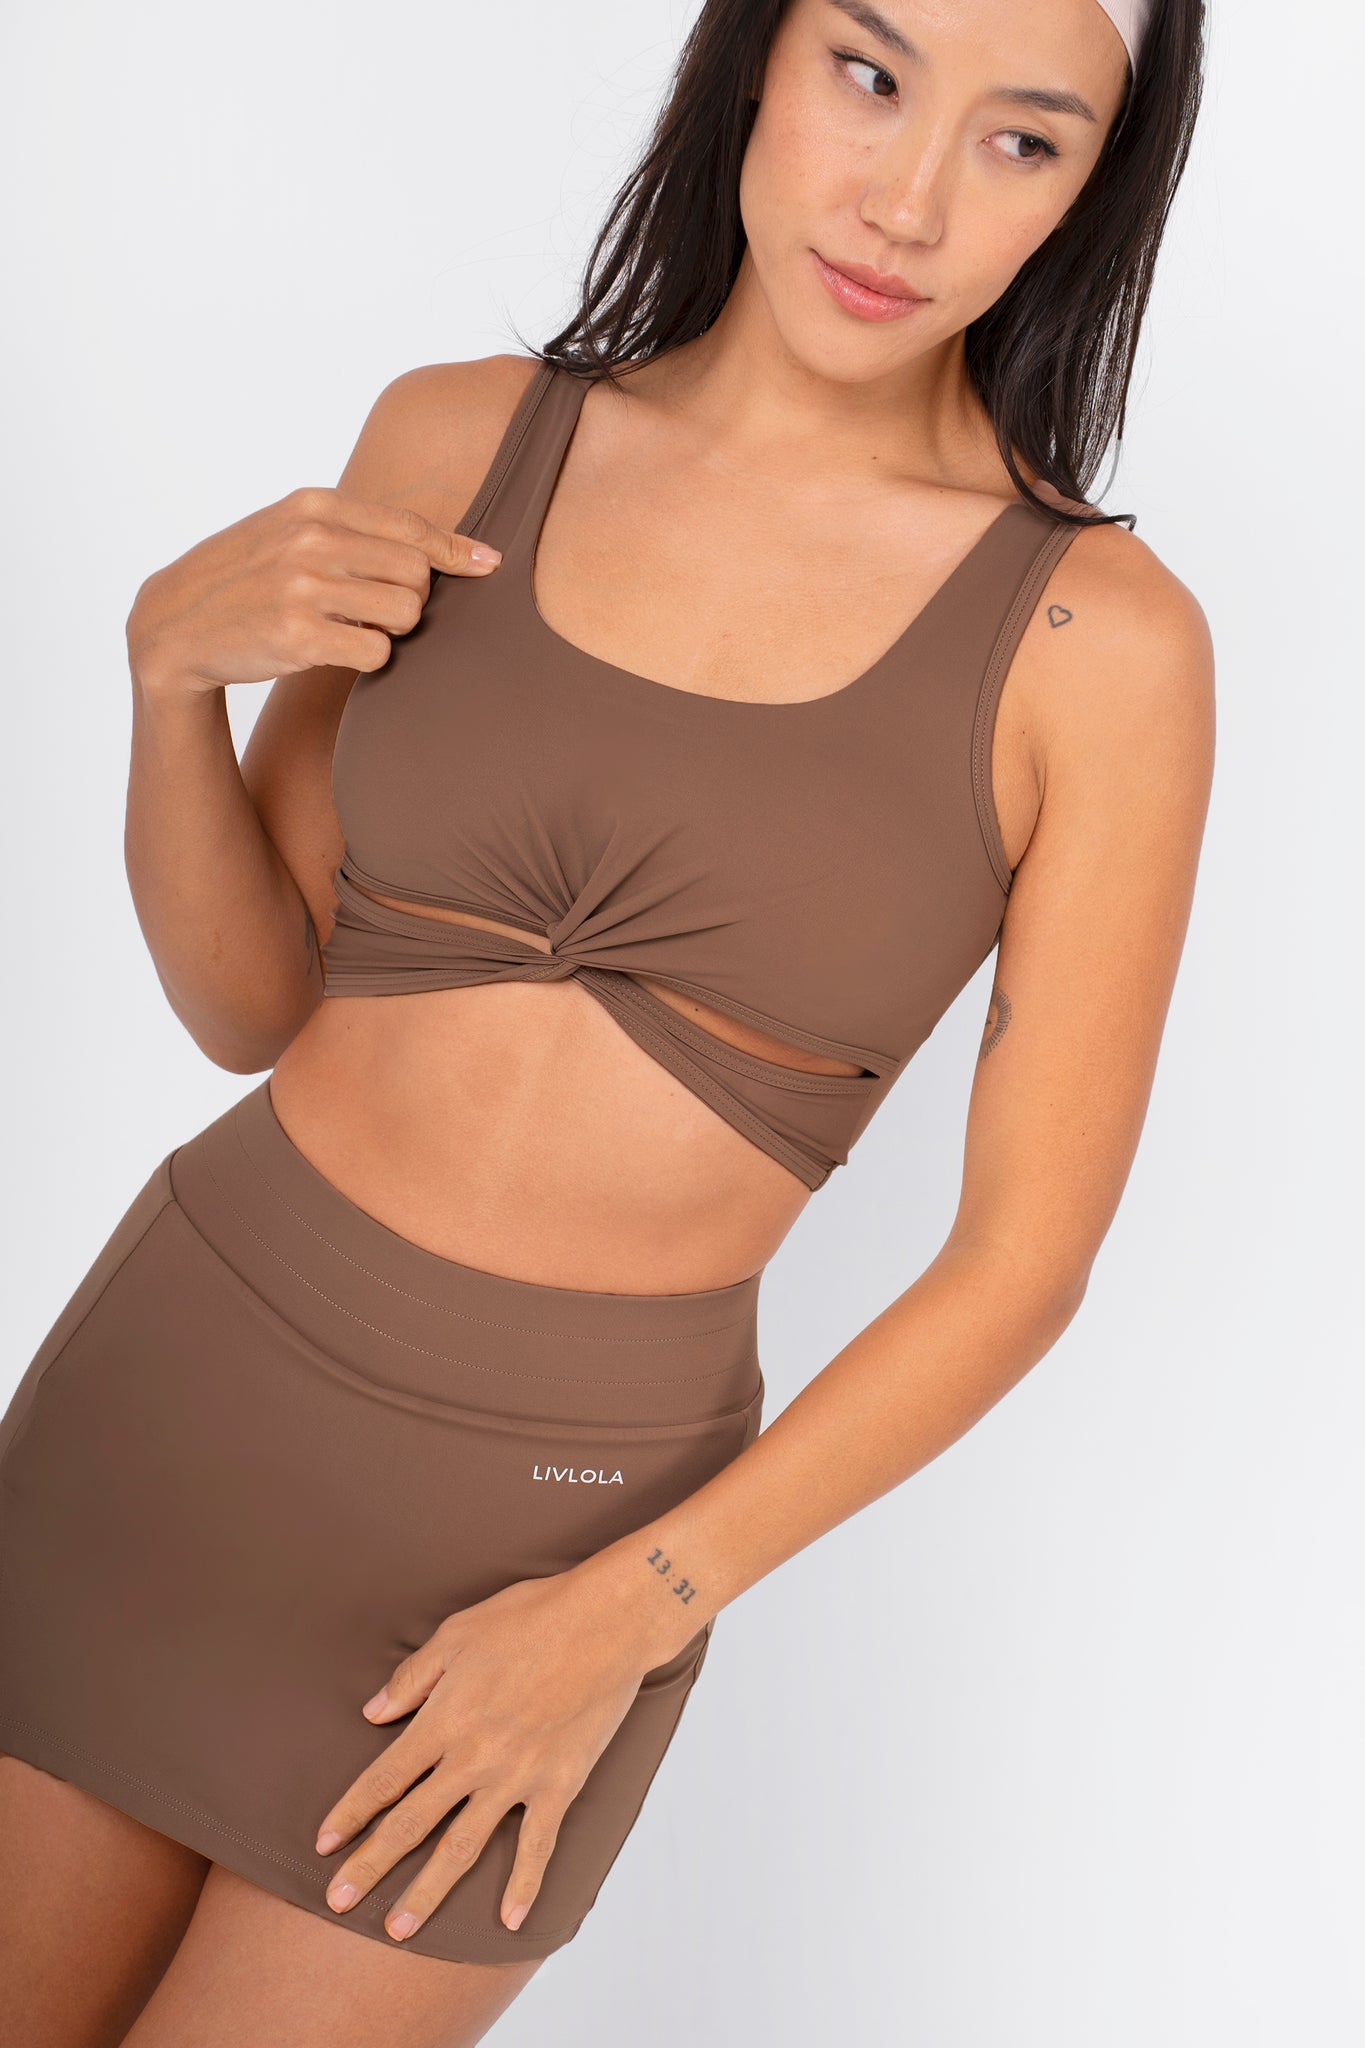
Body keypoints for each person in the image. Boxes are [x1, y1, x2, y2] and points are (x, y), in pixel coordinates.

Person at [0, 0, 1213, 2042]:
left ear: (1089, 195)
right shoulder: (454, 440)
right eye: (868, 75)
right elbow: (249, 1004)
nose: (907, 202)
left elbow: (1020, 1267)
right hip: (163, 1422)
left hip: (549, 1563)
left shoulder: (1099, 644)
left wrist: (630, 1612)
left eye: (1021, 141)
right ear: (755, 58)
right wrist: (161, 685)